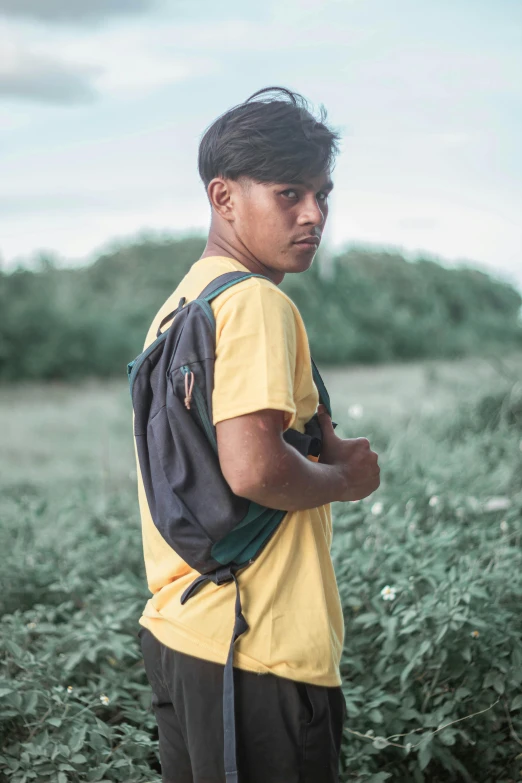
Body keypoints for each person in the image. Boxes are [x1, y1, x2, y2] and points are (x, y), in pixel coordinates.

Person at [135, 86, 381, 783]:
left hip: (182, 631)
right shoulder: (257, 302)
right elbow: (250, 468)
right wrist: (346, 480)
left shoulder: (185, 301)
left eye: (323, 194)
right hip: (258, 647)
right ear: (224, 197)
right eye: (289, 193)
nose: (314, 214)